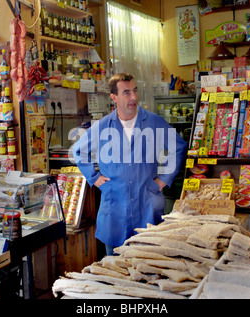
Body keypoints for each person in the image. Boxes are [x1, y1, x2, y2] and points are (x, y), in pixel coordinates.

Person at [73, 73, 188, 255]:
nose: (133, 97)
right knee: (115, 270)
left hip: (147, 205)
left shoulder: (153, 122)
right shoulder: (102, 127)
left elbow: (178, 147)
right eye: (126, 92)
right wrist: (93, 177)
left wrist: (164, 179)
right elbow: (79, 151)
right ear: (114, 97)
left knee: (150, 266)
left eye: (134, 90)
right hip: (115, 209)